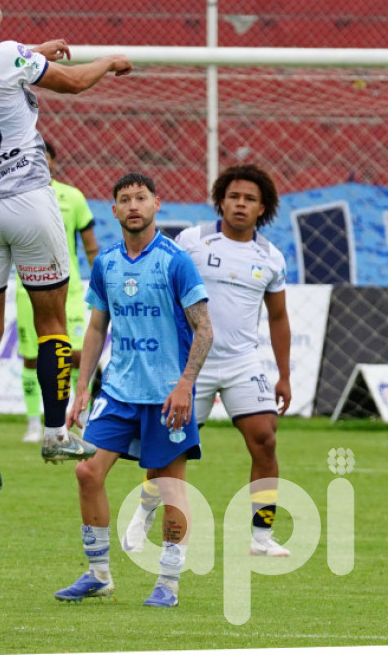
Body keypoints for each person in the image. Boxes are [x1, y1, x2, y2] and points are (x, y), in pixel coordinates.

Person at [0, 0, 132, 493]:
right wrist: (108, 62)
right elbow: (75, 81)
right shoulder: (8, 56)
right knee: (52, 320)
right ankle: (57, 431)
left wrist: (31, 52)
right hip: (30, 202)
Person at [54, 172, 212, 608]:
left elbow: (204, 329)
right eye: (125, 199)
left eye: (141, 197)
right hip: (119, 390)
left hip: (167, 395)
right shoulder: (105, 262)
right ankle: (98, 573)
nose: (134, 205)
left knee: (169, 487)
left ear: (156, 204)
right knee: (86, 471)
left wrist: (185, 385)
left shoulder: (175, 261)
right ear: (115, 211)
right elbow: (97, 325)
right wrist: (81, 387)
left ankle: (168, 581)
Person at [122, 164, 292, 559]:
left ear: (262, 207)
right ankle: (142, 518)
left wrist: (284, 375)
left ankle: (262, 536)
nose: (240, 204)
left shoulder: (271, 258)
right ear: (221, 199)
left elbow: (279, 318)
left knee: (265, 438)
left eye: (249, 199)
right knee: (170, 451)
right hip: (190, 365)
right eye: (233, 196)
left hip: (242, 362)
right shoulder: (192, 241)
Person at [16, 139, 99, 443]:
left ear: (52, 161)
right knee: (32, 358)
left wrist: (101, 279)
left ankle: (78, 415)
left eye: (45, 156)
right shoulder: (14, 195)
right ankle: (33, 423)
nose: (40, 161)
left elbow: (90, 244)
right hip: (27, 289)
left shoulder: (72, 197)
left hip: (70, 289)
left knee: (75, 355)